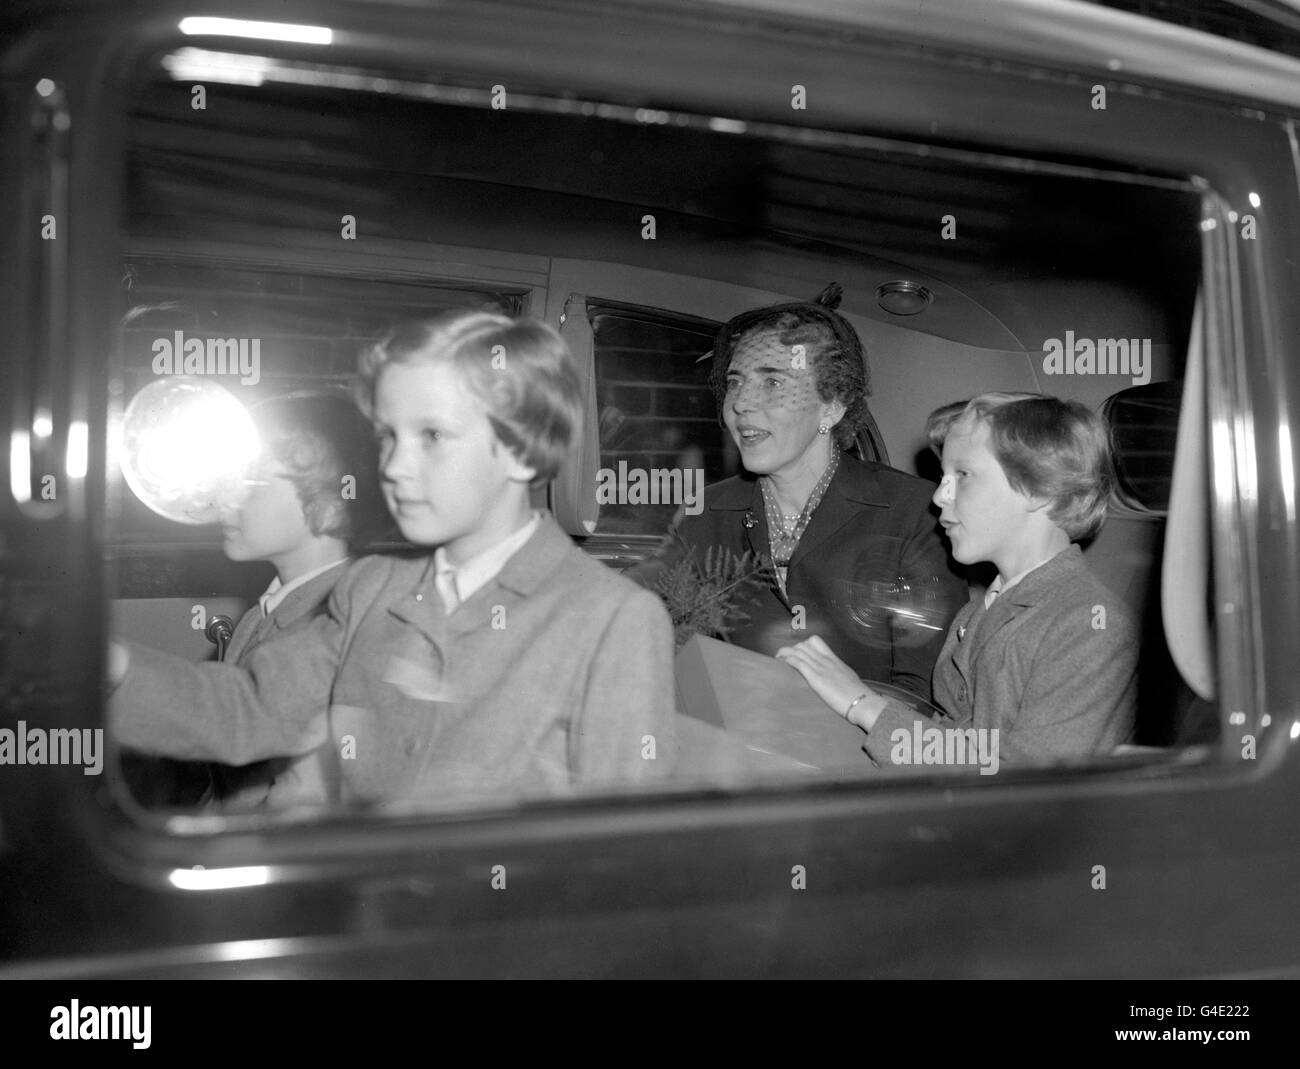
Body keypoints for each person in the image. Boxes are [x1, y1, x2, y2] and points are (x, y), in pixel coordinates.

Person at [109, 311, 676, 807]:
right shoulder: (372, 588)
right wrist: (102, 665)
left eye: (431, 435)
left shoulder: (611, 620)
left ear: (522, 451)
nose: (395, 467)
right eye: (387, 436)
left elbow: (619, 857)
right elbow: (249, 713)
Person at [629, 285, 964, 700]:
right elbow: (653, 636)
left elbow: (925, 694)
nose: (741, 403)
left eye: (772, 382)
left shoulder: (913, 513)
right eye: (735, 382)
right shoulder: (707, 512)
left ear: (831, 406)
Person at [777, 392, 1138, 769]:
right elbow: (954, 735)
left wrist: (862, 705)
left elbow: (1025, 783)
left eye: (962, 475)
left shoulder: (1087, 625)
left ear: (1039, 488)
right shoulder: (977, 611)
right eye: (942, 476)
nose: (938, 496)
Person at [120, 391, 387, 809]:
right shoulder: (270, 610)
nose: (225, 500)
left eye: (249, 484)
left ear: (330, 506)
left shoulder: (337, 621)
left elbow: (294, 807)